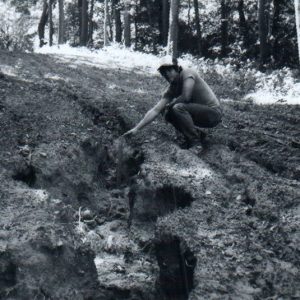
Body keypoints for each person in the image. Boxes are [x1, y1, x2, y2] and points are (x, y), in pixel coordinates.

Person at [123, 60, 222, 148]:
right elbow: (156, 110)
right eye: (163, 72)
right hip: (200, 115)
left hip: (213, 113)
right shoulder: (172, 89)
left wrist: (170, 105)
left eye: (169, 70)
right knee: (168, 113)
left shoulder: (187, 73)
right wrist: (136, 129)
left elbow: (186, 96)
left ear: (177, 69)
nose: (166, 74)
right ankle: (199, 135)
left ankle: (195, 143)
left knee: (177, 107)